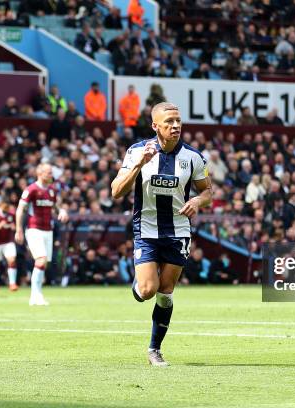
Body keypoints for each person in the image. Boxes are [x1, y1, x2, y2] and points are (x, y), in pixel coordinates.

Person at [111, 102, 213, 366]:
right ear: (155, 126)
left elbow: (207, 192)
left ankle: (154, 349)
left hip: (178, 232)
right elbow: (116, 191)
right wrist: (138, 165)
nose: (176, 126)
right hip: (146, 229)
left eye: (178, 121)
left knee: (166, 293)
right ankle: (139, 285)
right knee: (147, 290)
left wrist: (198, 202)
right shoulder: (137, 151)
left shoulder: (193, 157)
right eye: (169, 121)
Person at [15, 163, 69, 306]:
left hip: (48, 231)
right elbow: (20, 209)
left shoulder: (52, 190)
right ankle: (35, 296)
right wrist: (18, 229)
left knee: (43, 263)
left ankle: (36, 295)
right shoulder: (31, 189)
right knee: (41, 259)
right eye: (48, 173)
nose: (51, 175)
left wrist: (61, 211)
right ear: (40, 173)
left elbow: (56, 206)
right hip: (34, 230)